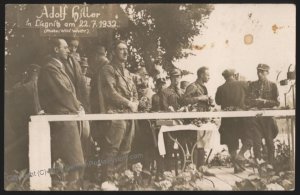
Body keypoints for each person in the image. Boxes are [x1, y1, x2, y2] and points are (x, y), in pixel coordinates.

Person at [38, 38, 85, 189]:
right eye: (65, 47)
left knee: (71, 161)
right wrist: (78, 107)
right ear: (56, 50)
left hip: (67, 116)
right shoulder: (50, 68)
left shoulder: (58, 67)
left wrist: (78, 106)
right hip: (62, 119)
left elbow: (68, 91)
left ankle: (69, 186)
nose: (69, 50)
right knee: (75, 161)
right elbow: (63, 92)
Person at [99, 40, 139, 185]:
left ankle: (122, 181)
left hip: (129, 115)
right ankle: (107, 182)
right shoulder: (108, 69)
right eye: (121, 49)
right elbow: (110, 92)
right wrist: (129, 103)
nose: (125, 52)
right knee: (112, 149)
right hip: (115, 115)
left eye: (126, 49)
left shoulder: (127, 72)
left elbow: (134, 91)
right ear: (113, 52)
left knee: (126, 150)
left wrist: (135, 102)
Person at [242, 64, 280, 165]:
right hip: (255, 118)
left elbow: (276, 103)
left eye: (262, 72)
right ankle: (259, 165)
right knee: (256, 142)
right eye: (258, 71)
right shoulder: (252, 85)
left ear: (267, 73)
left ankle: (271, 163)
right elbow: (247, 100)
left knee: (269, 141)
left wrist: (263, 102)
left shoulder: (273, 86)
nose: (259, 74)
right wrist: (253, 103)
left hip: (267, 118)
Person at [215, 69, 249, 173]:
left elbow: (218, 102)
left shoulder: (220, 88)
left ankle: (237, 166)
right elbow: (250, 97)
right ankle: (241, 155)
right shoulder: (243, 84)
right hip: (242, 118)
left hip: (228, 120)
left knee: (231, 144)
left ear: (224, 77)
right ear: (234, 75)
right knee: (248, 138)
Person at [183, 66, 215, 175]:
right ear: (201, 75)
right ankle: (194, 170)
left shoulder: (203, 87)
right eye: (207, 75)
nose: (209, 77)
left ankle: (201, 168)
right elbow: (184, 101)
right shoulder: (192, 86)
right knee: (195, 145)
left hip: (202, 120)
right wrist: (199, 98)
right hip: (193, 120)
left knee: (202, 143)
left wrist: (210, 102)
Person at [160, 68, 185, 171]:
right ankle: (168, 170)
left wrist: (184, 109)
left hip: (182, 122)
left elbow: (186, 105)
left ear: (181, 77)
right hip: (169, 122)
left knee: (183, 144)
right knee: (169, 145)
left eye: (178, 76)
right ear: (170, 78)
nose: (176, 79)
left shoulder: (183, 92)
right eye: (174, 77)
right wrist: (172, 112)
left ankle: (184, 169)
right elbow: (164, 107)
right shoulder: (165, 91)